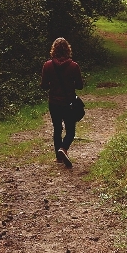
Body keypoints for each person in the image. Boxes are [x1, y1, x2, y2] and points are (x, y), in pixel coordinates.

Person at [40, 37, 83, 168]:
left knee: (57, 128)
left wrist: (52, 83)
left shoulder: (47, 65)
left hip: (53, 102)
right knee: (71, 130)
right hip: (68, 102)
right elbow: (80, 86)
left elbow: (43, 86)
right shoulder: (74, 66)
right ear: (68, 50)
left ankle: (58, 156)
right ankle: (63, 149)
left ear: (53, 50)